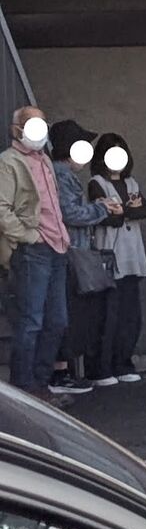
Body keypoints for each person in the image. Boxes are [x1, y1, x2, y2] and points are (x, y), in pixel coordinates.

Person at [1, 106, 72, 401]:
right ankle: (24, 389)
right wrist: (29, 236)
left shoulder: (44, 160)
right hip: (33, 249)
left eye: (43, 125)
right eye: (32, 125)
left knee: (57, 321)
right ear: (16, 129)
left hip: (57, 246)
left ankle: (41, 385)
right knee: (31, 321)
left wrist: (62, 235)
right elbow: (2, 207)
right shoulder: (8, 162)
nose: (39, 132)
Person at [48, 119, 114, 395]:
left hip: (64, 250)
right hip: (69, 250)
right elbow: (70, 213)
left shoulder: (56, 172)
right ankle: (60, 372)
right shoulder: (62, 175)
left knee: (66, 312)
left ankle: (63, 371)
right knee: (67, 313)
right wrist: (102, 209)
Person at [88, 134, 146, 385]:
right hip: (109, 255)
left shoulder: (132, 182)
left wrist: (121, 210)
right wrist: (127, 210)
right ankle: (102, 368)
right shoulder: (96, 183)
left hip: (133, 256)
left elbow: (145, 210)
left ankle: (124, 362)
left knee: (130, 314)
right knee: (107, 314)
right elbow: (106, 217)